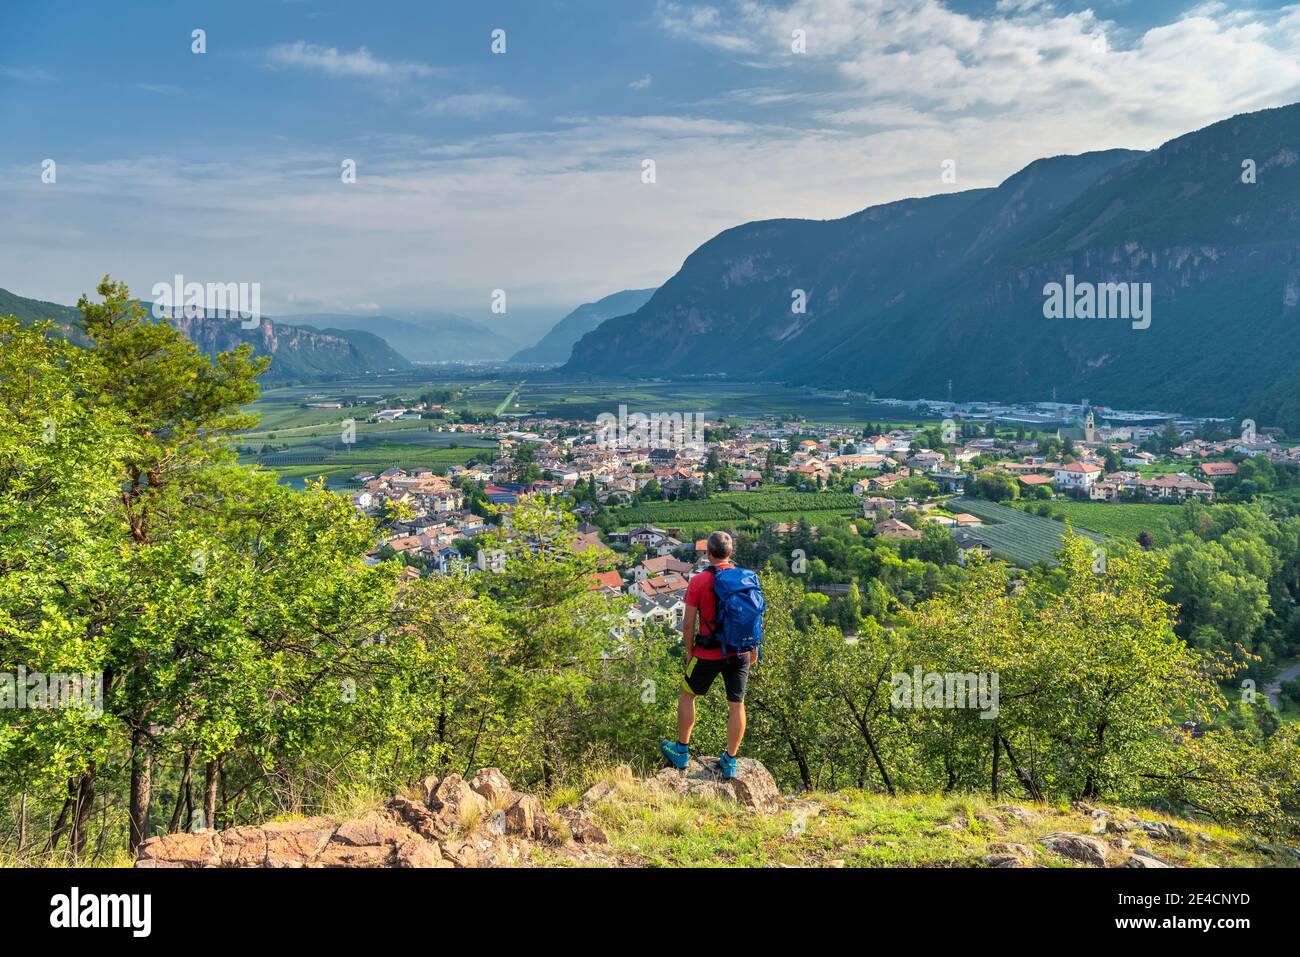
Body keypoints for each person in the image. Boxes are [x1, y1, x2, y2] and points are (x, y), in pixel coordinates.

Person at [659, 530, 757, 780]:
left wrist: (691, 652)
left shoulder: (699, 581)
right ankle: (730, 761)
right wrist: (753, 647)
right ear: (730, 552)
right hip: (739, 651)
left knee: (687, 694)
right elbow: (753, 618)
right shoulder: (745, 577)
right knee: (737, 705)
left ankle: (681, 752)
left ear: (708, 553)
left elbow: (689, 623)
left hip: (708, 652)